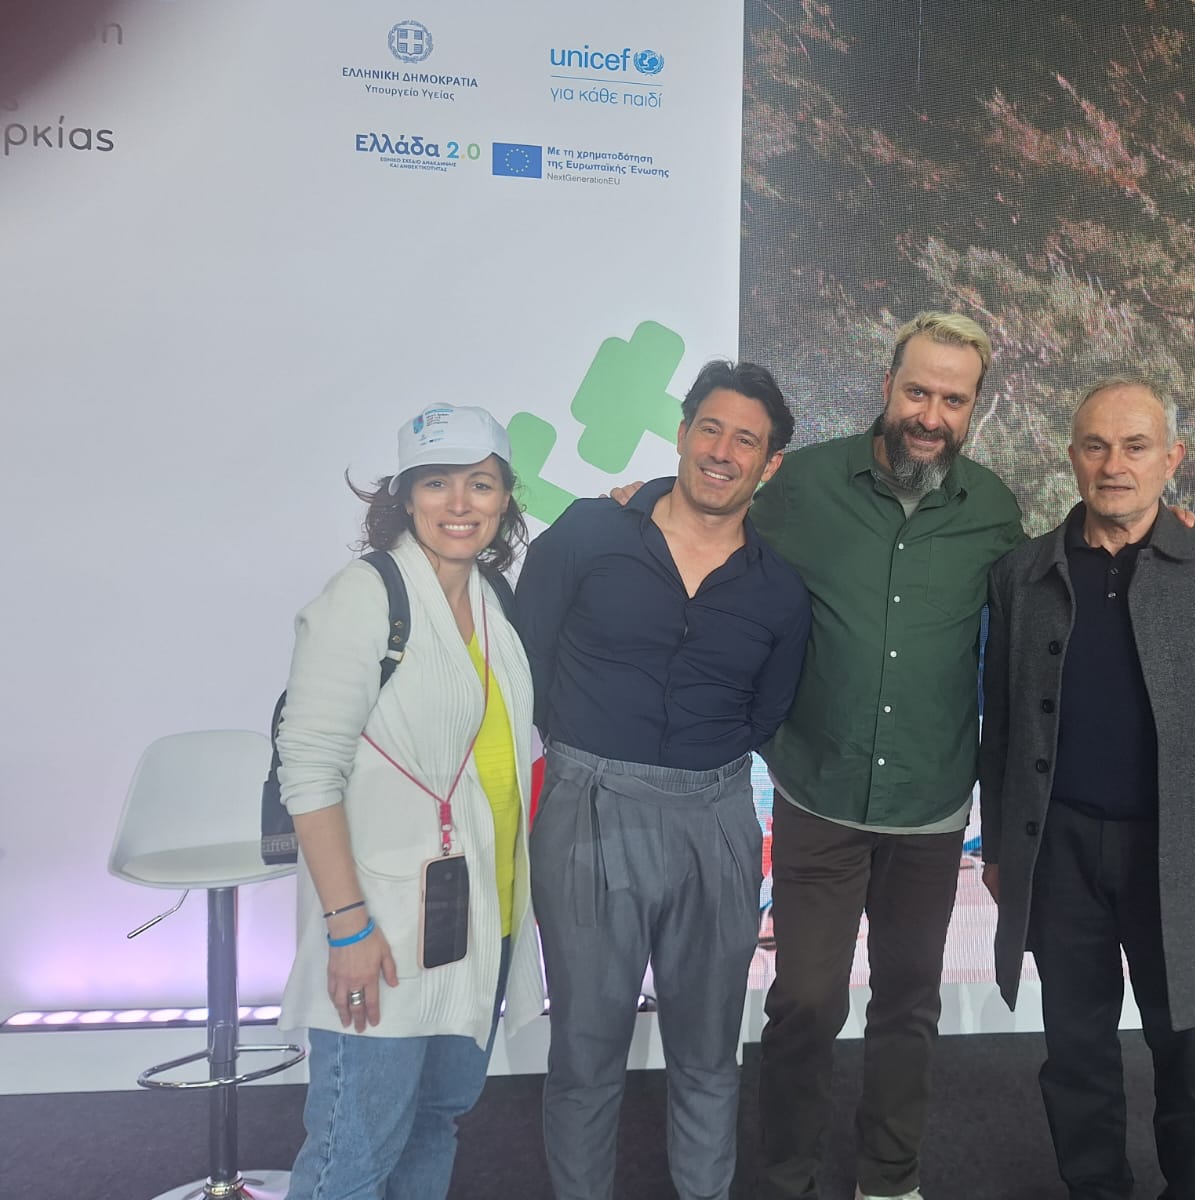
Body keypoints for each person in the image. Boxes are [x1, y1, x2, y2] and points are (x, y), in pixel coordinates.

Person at [979, 377, 1195, 1200]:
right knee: (1075, 1053)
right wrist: (1000, 849)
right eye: (1095, 446)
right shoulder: (1020, 573)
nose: (1114, 465)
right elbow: (1002, 727)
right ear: (1071, 457)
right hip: (1061, 852)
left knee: (1190, 1051)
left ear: (1171, 458)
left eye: (1135, 447)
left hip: (1185, 855)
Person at [515, 361, 811, 1200]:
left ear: (769, 464)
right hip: (586, 808)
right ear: (681, 435)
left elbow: (767, 712)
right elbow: (525, 661)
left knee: (711, 1053)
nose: (722, 451)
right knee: (584, 1051)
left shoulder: (780, 591)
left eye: (745, 440)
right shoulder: (586, 532)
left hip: (715, 818)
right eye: (709, 428)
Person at [749, 311, 1027, 1200]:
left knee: (908, 1004)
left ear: (974, 407)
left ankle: (889, 1179)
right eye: (918, 391)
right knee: (805, 1001)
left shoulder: (994, 508)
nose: (931, 416)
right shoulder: (804, 484)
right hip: (819, 791)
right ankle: (787, 1178)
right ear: (886, 386)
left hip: (930, 804)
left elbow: (1047, 596)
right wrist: (639, 500)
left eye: (954, 399)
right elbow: (713, 524)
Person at [276, 404, 543, 1200]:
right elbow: (309, 772)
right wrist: (347, 925)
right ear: (403, 496)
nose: (460, 503)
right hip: (383, 925)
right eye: (437, 483)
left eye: (480, 484)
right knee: (354, 1152)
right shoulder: (365, 598)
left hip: (481, 916)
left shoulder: (492, 599)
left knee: (436, 1120)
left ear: (504, 498)